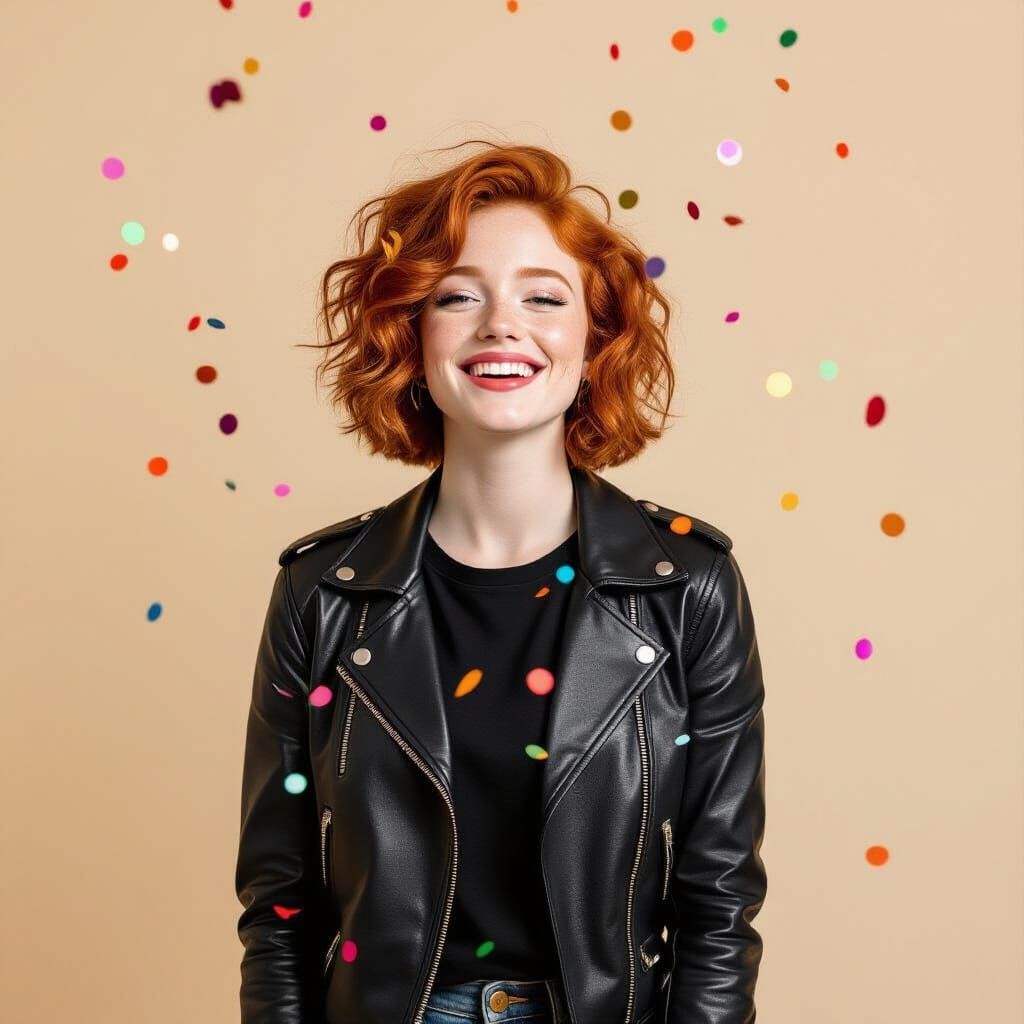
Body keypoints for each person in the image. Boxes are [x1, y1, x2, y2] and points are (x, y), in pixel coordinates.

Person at [235, 140, 767, 1024]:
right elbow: (279, 903)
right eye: (458, 295)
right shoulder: (322, 591)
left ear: (595, 338)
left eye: (543, 296)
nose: (500, 324)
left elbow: (718, 902)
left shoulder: (690, 588)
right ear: (412, 332)